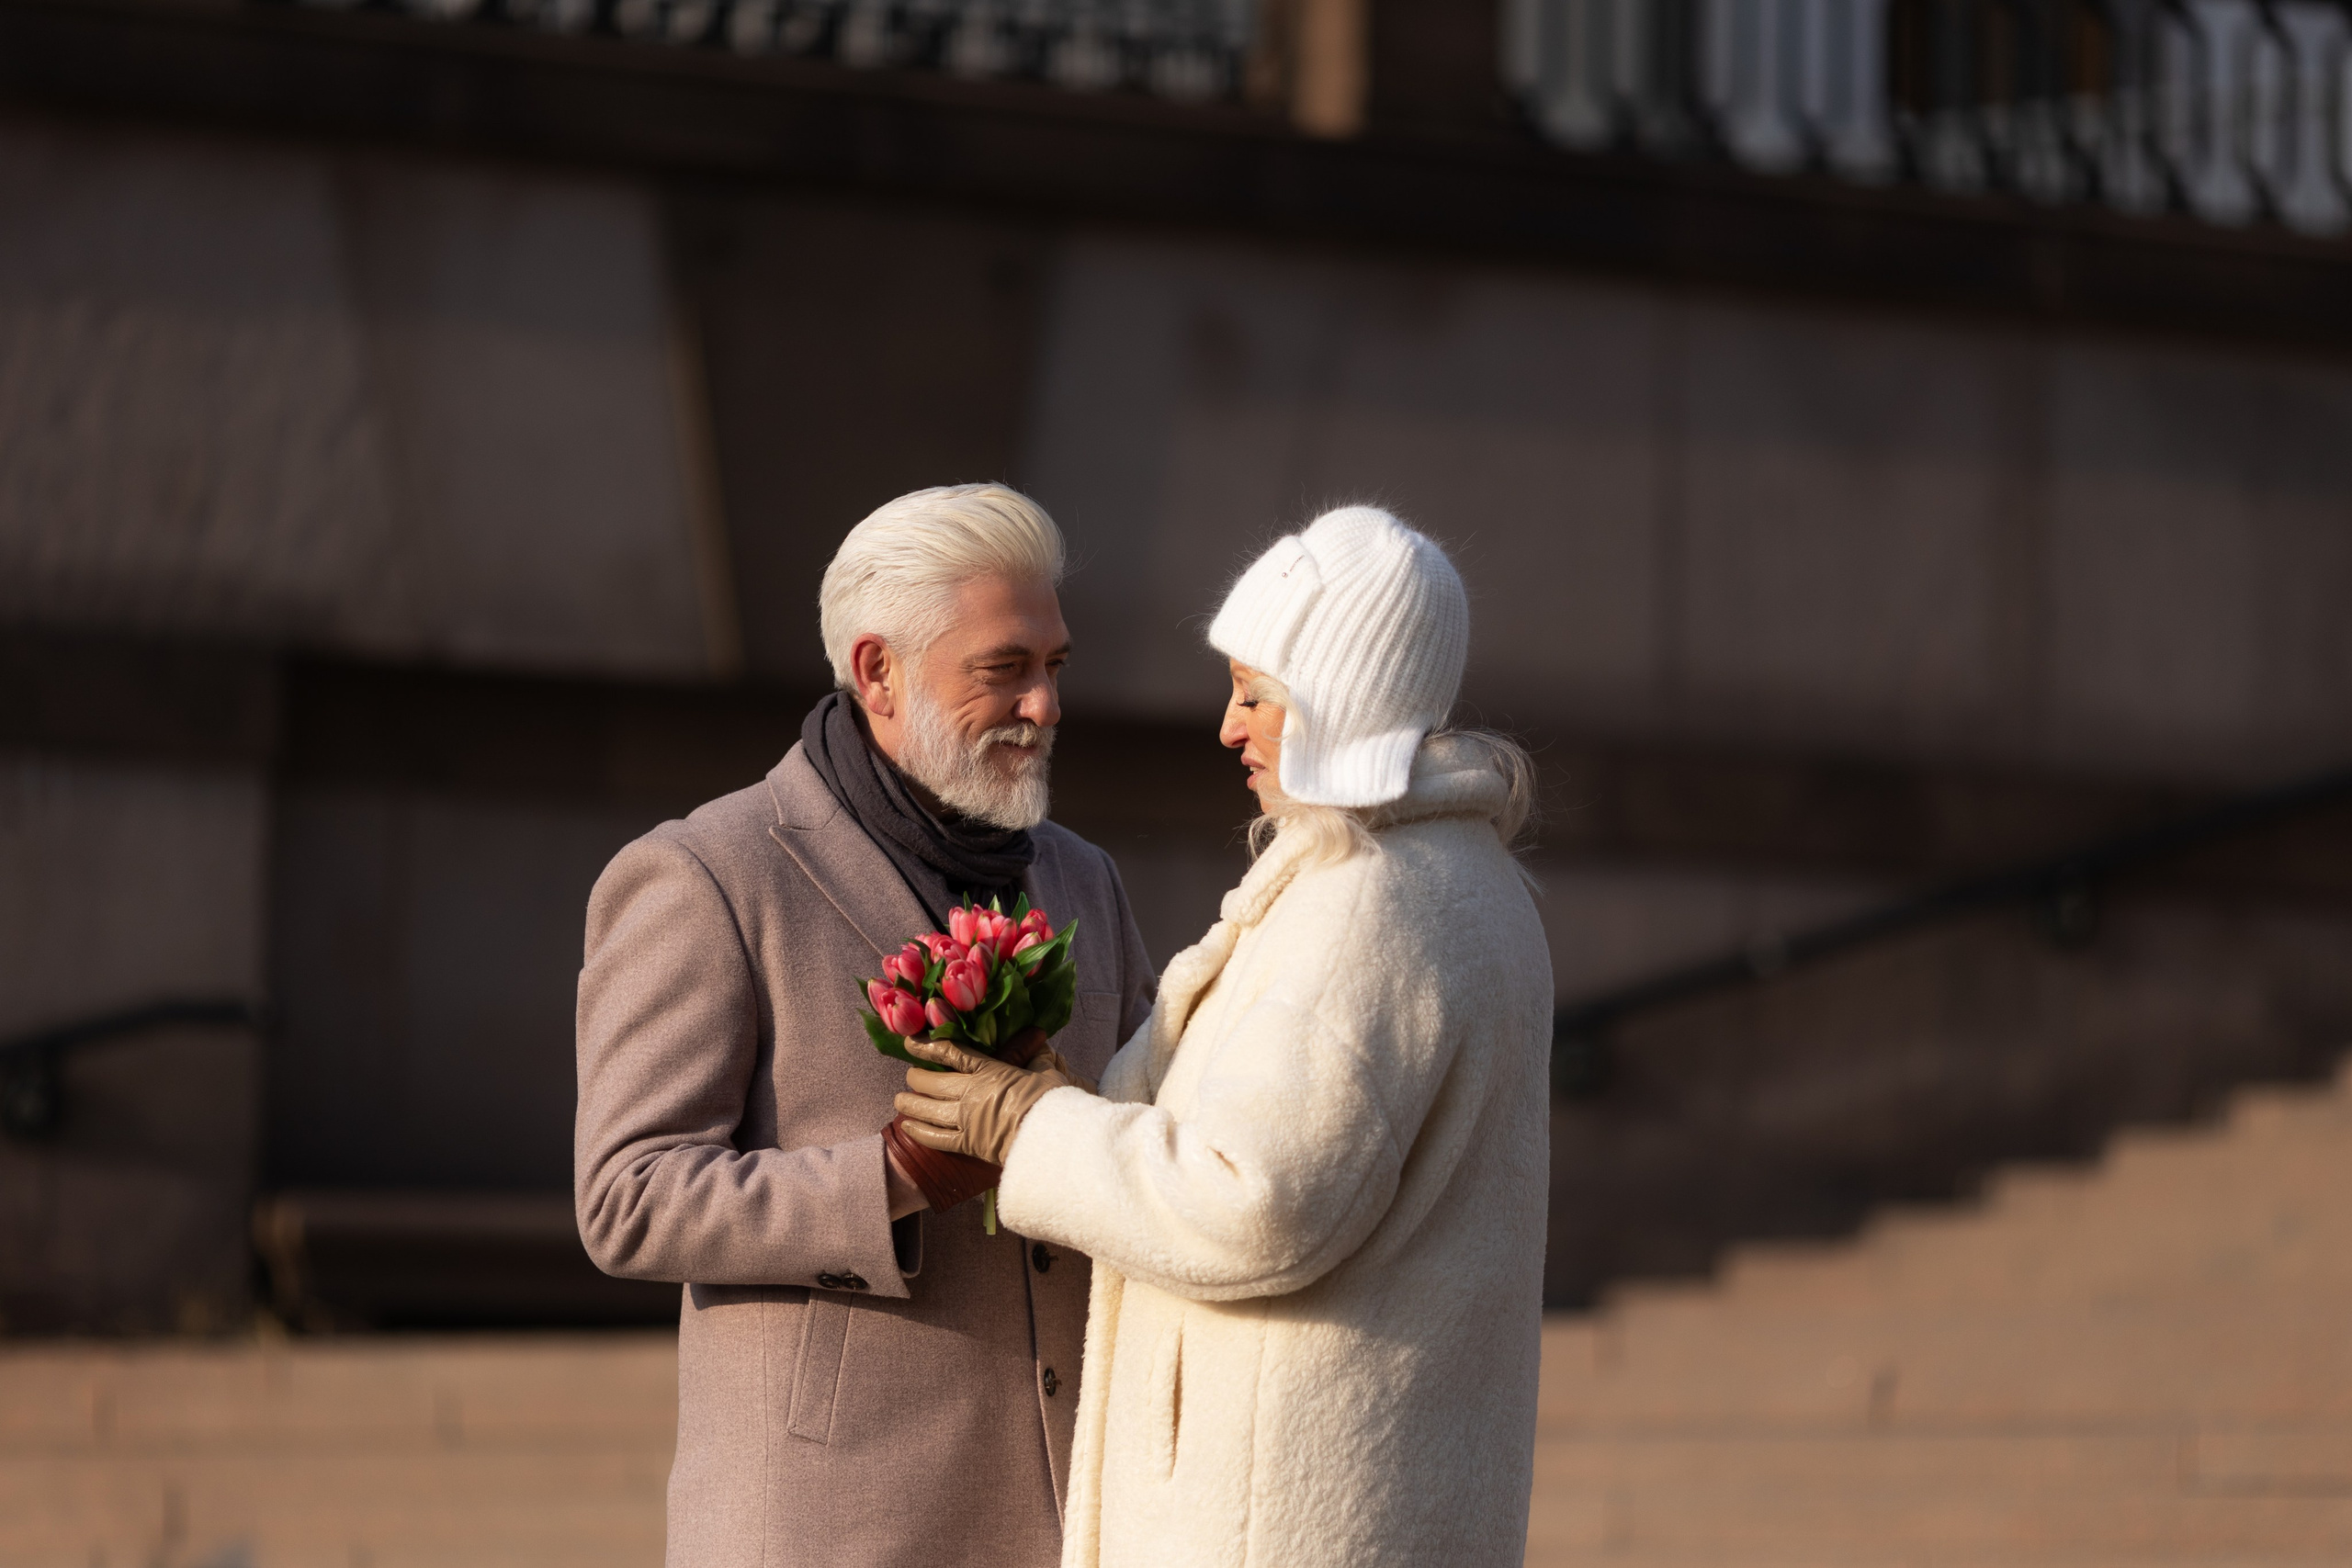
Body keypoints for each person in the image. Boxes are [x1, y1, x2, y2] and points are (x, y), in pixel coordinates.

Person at [894, 504, 1555, 1568]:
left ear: (1337, 704)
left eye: (1255, 695)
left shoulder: (1369, 902)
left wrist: (1027, 1126)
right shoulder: (1460, 880)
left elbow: (1255, 1204)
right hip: (1359, 1496)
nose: (1227, 728)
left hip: (1273, 1519)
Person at [574, 484, 1156, 1568]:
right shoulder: (704, 874)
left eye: (1054, 665)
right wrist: (892, 1177)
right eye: (1004, 668)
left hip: (1078, 1518)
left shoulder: (1084, 878)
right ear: (877, 671)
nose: (1044, 706)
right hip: (827, 1526)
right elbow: (628, 1199)